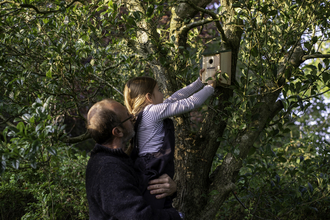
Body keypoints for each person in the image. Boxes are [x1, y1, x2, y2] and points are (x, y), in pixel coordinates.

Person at [124, 69, 219, 209]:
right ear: (149, 97)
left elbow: (175, 98)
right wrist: (210, 87)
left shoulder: (141, 114)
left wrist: (199, 82)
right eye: (159, 90)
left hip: (146, 166)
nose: (162, 93)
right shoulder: (152, 112)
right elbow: (190, 103)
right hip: (155, 166)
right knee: (158, 203)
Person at [85, 99, 181, 220]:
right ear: (118, 131)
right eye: (127, 116)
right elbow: (138, 216)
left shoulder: (119, 159)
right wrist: (176, 216)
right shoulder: (108, 169)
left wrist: (170, 189)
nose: (133, 117)